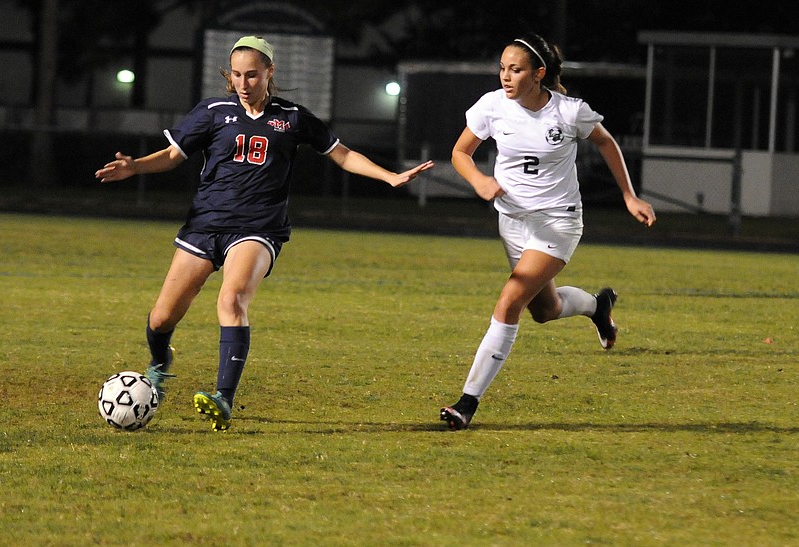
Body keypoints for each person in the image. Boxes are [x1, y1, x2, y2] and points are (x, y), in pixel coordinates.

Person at [96, 35, 433, 431]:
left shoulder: (292, 118)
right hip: (205, 225)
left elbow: (341, 153)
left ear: (270, 73)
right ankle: (159, 362)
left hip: (258, 227)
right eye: (236, 75)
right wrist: (134, 166)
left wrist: (388, 176)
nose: (243, 83)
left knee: (232, 299)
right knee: (162, 316)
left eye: (252, 75)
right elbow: (172, 156)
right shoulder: (213, 112)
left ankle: (223, 397)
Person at [439, 33, 656, 431]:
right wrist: (480, 181)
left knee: (509, 302)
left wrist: (629, 195)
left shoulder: (570, 112)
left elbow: (607, 144)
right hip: (513, 222)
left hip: (558, 222)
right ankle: (597, 306)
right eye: (502, 67)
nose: (506, 76)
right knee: (545, 310)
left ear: (538, 74)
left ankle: (466, 403)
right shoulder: (492, 105)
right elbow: (460, 152)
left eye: (516, 69)